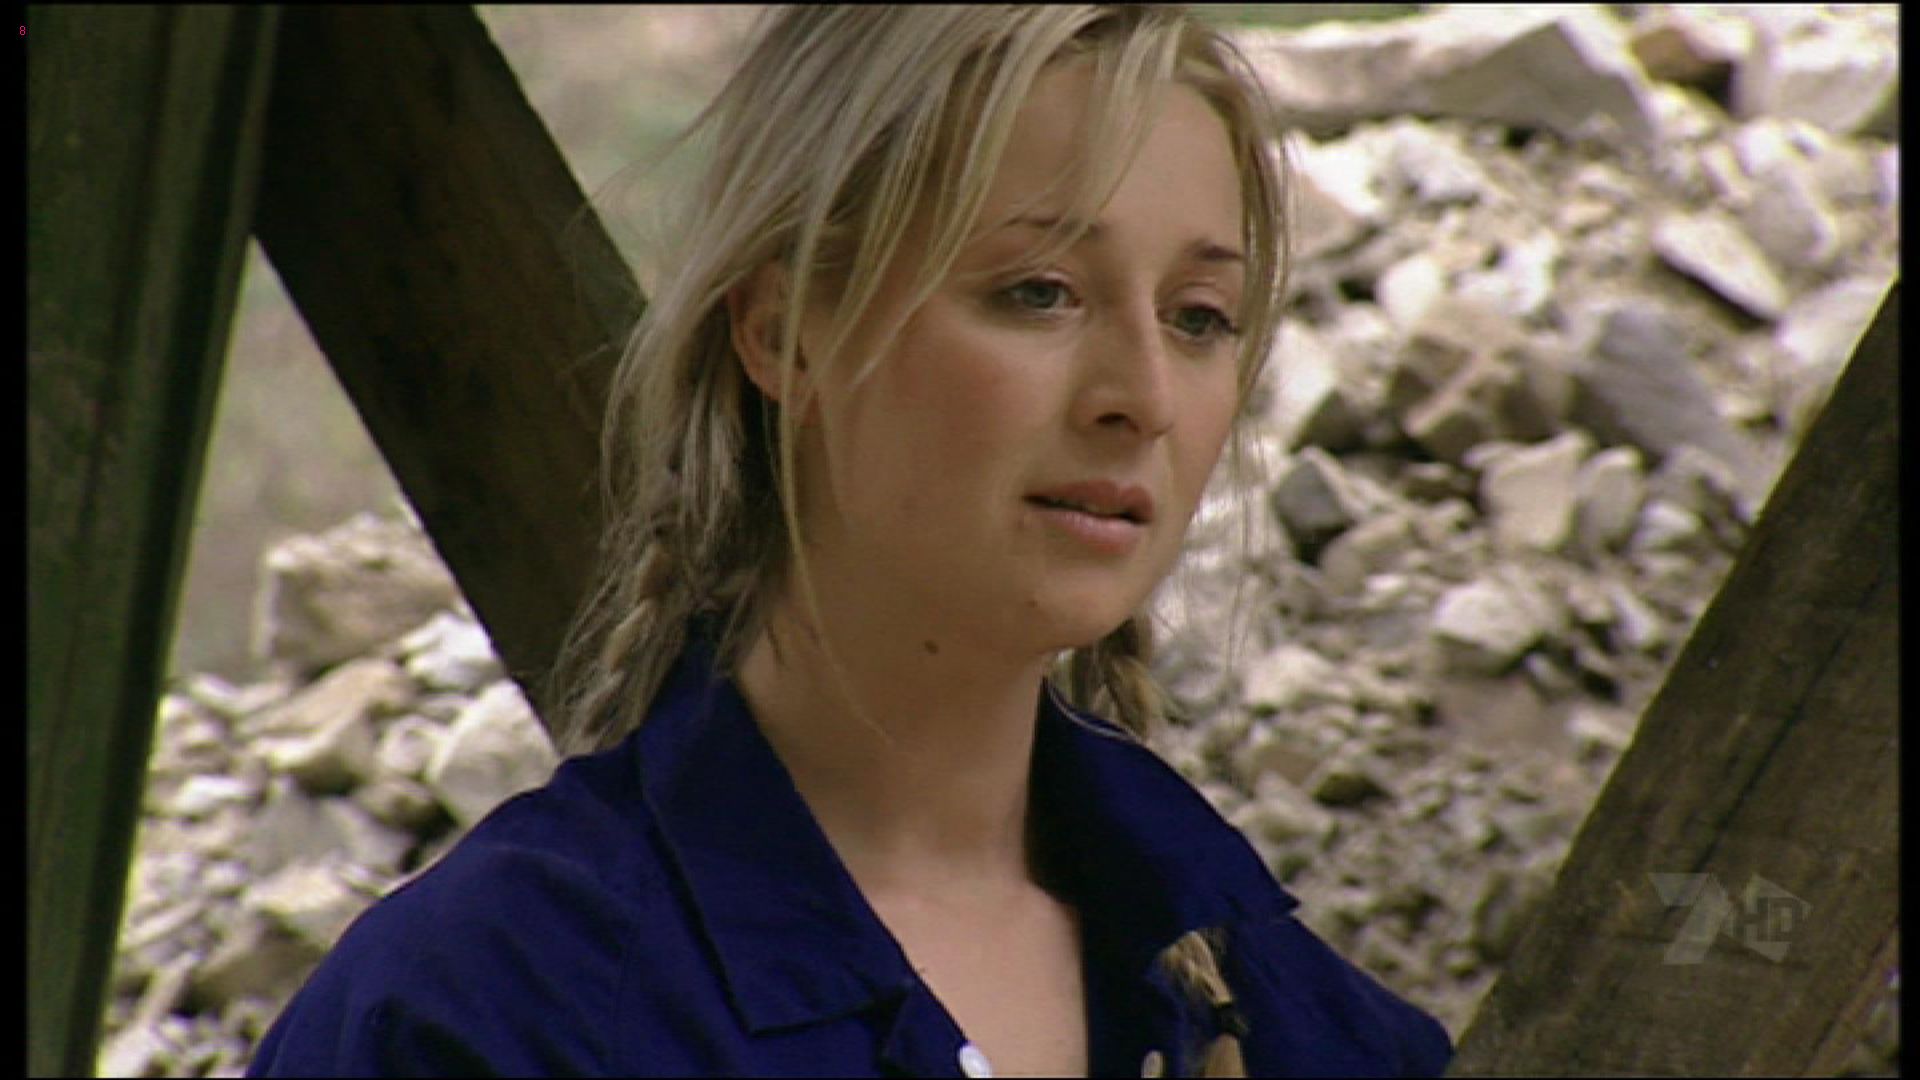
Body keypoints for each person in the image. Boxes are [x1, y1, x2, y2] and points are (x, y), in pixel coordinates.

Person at [248, 6, 1454, 1077]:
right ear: (785, 334)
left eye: (1198, 317)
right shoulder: (481, 1016)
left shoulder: (1299, 1025)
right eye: (1040, 291)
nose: (1142, 394)